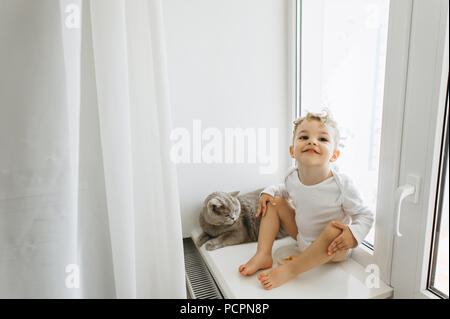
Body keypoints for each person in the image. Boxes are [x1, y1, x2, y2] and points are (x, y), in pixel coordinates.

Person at [238, 110, 374, 290]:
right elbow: (284, 189)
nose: (312, 141)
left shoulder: (342, 184)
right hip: (302, 240)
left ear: (334, 155)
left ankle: (290, 270)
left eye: (323, 139)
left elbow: (365, 215)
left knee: (334, 228)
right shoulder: (292, 176)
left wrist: (353, 234)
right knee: (275, 201)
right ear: (292, 151)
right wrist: (269, 191)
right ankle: (263, 254)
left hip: (333, 249)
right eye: (304, 137)